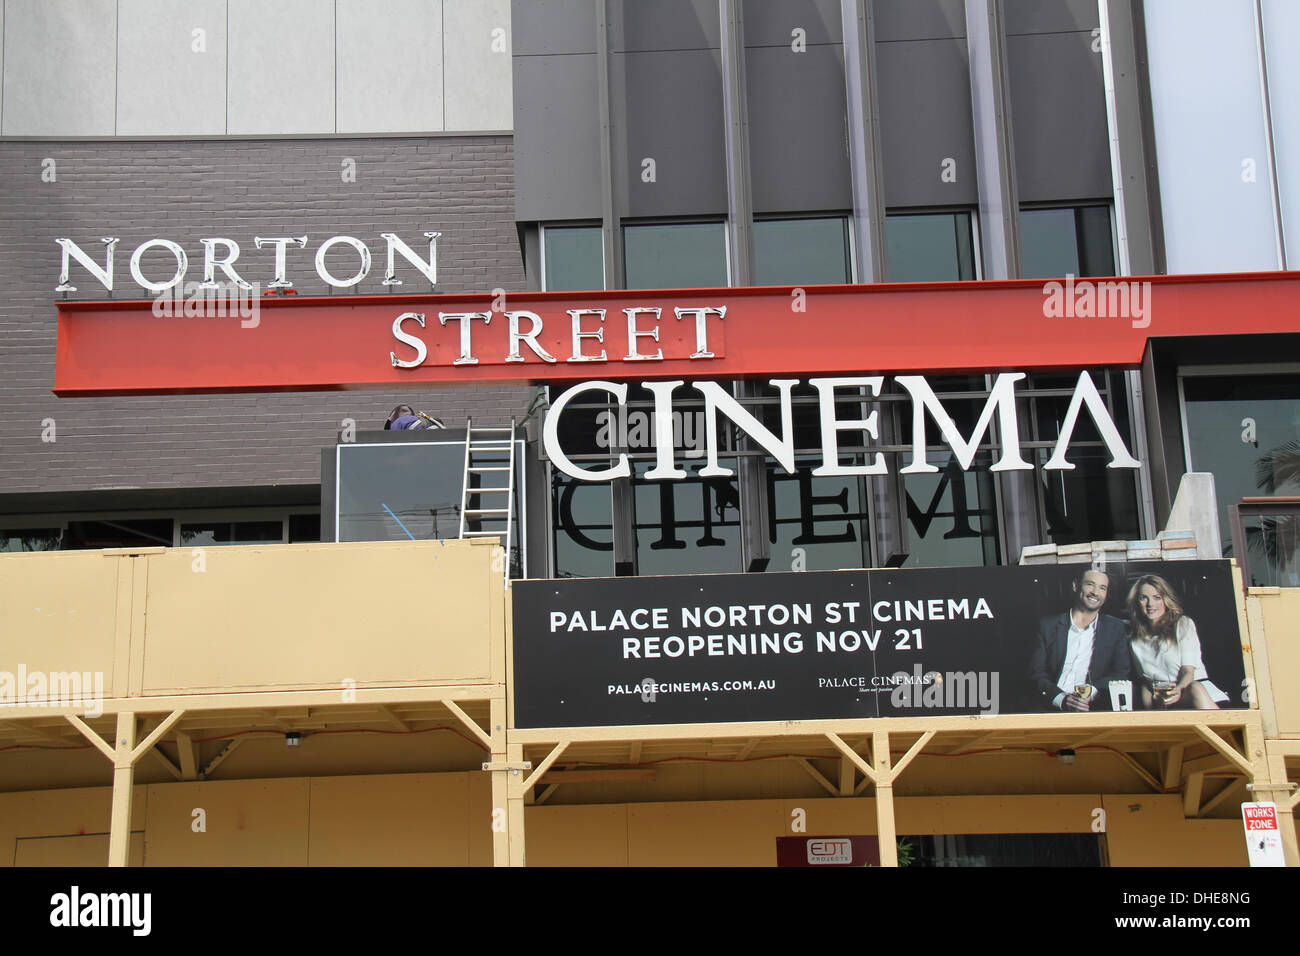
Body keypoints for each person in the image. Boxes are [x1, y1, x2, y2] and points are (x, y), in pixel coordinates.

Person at [1028, 567, 1134, 712]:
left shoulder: (1115, 628)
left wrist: (1092, 692)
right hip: (1050, 706)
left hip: (1092, 707)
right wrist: (1062, 699)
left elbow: (1121, 672)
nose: (1095, 592)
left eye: (1102, 588)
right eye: (1090, 584)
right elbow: (1036, 672)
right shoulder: (1047, 625)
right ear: (1076, 586)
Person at [1126, 574, 1218, 710]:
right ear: (1136, 602)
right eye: (1143, 598)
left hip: (1193, 691)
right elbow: (1146, 683)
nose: (1150, 604)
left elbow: (1188, 671)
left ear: (1166, 600)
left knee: (1195, 688)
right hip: (1165, 700)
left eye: (1157, 598)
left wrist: (1179, 689)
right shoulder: (1134, 640)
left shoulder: (1183, 624)